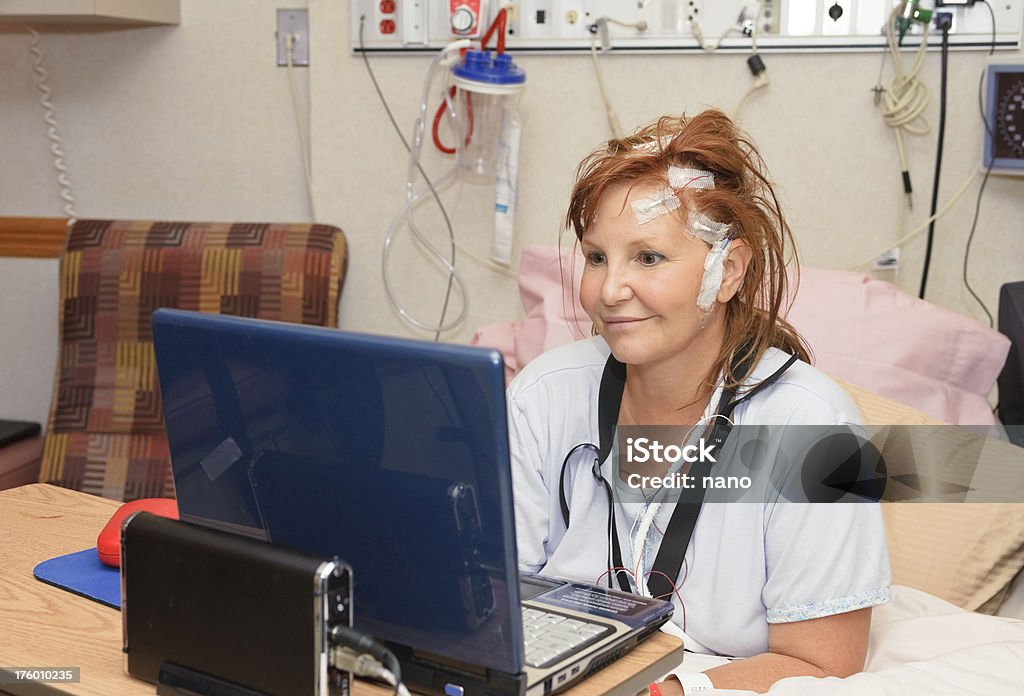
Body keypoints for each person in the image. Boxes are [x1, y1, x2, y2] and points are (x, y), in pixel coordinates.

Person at [506, 109, 891, 694]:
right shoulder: (543, 397)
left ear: (727, 270)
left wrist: (672, 691)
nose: (609, 291)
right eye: (596, 257)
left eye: (649, 258)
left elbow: (824, 662)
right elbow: (495, 598)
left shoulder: (813, 427)